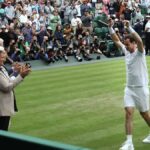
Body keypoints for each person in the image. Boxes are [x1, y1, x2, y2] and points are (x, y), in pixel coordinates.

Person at [108, 18, 150, 150]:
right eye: (125, 45)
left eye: (128, 44)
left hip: (141, 89)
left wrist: (129, 28)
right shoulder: (126, 52)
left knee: (145, 114)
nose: (126, 46)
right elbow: (116, 40)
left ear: (134, 44)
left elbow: (140, 40)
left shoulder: (140, 53)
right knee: (128, 113)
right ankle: (129, 143)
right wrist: (110, 28)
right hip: (129, 89)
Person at [0, 46, 31, 131]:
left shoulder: (2, 68)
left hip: (4, 109)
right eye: (2, 57)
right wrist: (21, 76)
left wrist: (16, 72)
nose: (4, 59)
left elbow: (9, 80)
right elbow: (7, 87)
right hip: (2, 109)